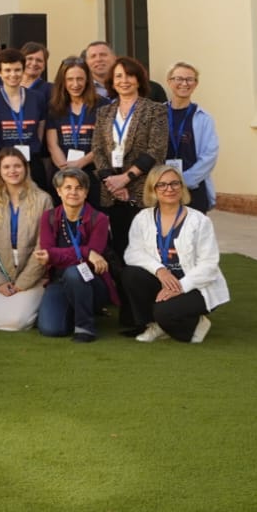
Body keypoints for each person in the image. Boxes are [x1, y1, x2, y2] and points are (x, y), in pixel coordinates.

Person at [90, 55, 168, 333]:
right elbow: (98, 151)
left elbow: (156, 151)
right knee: (120, 252)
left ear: (139, 79)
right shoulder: (104, 113)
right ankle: (128, 313)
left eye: (129, 75)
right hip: (112, 194)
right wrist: (111, 182)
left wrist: (126, 178)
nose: (124, 81)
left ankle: (146, 314)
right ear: (112, 82)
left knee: (143, 253)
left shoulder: (154, 111)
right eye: (118, 76)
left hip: (141, 193)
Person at [122, 165, 229, 343]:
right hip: (163, 279)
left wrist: (180, 286)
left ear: (182, 186)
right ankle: (154, 325)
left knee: (164, 312)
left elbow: (209, 265)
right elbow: (133, 253)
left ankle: (196, 323)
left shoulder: (199, 221)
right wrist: (160, 270)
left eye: (174, 183)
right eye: (162, 185)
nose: (169, 189)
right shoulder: (143, 218)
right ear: (153, 189)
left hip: (196, 284)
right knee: (131, 274)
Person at [0, 143, 52, 331]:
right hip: (2, 269)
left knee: (16, 322)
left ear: (26, 168)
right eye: (6, 167)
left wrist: (24, 282)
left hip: (32, 271)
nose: (12, 171)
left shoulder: (43, 199)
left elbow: (43, 244)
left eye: (17, 166)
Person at [35, 167, 116, 341]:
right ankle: (73, 311)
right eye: (68, 187)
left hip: (92, 281)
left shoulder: (99, 219)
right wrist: (86, 251)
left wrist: (56, 256)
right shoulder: (48, 217)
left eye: (79, 188)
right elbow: (47, 251)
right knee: (51, 329)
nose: (73, 192)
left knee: (75, 272)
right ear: (59, 191)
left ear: (86, 192)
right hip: (60, 281)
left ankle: (85, 327)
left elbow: (91, 259)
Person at [0, 48, 47, 180]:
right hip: (3, 165)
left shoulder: (37, 98)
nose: (13, 74)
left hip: (31, 162)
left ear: (23, 70)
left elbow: (39, 133)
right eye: (7, 70)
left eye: (17, 70)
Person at [163, 63, 219, 212]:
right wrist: (164, 182)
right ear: (169, 81)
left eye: (189, 79)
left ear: (195, 84)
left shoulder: (204, 118)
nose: (184, 83)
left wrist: (184, 181)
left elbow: (209, 156)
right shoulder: (157, 114)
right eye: (179, 79)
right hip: (161, 188)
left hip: (193, 188)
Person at [45, 58, 98, 187]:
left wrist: (80, 163)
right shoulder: (54, 107)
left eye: (80, 79)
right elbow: (52, 144)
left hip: (92, 172)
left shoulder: (101, 105)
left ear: (87, 80)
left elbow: (103, 144)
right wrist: (66, 171)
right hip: (62, 175)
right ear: (63, 81)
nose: (75, 84)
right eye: (70, 79)